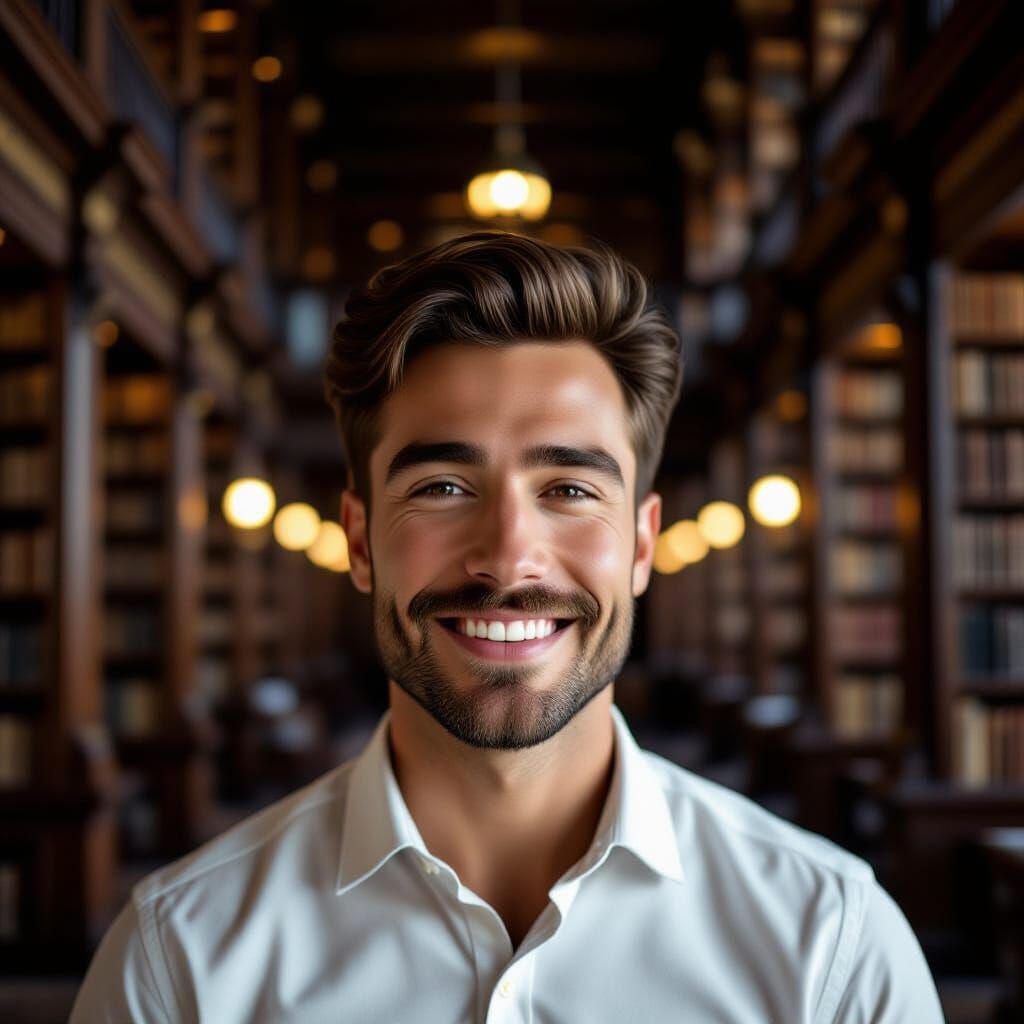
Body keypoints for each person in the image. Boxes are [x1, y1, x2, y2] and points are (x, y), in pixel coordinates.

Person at [71, 231, 943, 1022]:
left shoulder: (834, 949)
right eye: (443, 487)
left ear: (641, 545)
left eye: (568, 490)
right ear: (361, 540)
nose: (508, 558)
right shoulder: (177, 961)